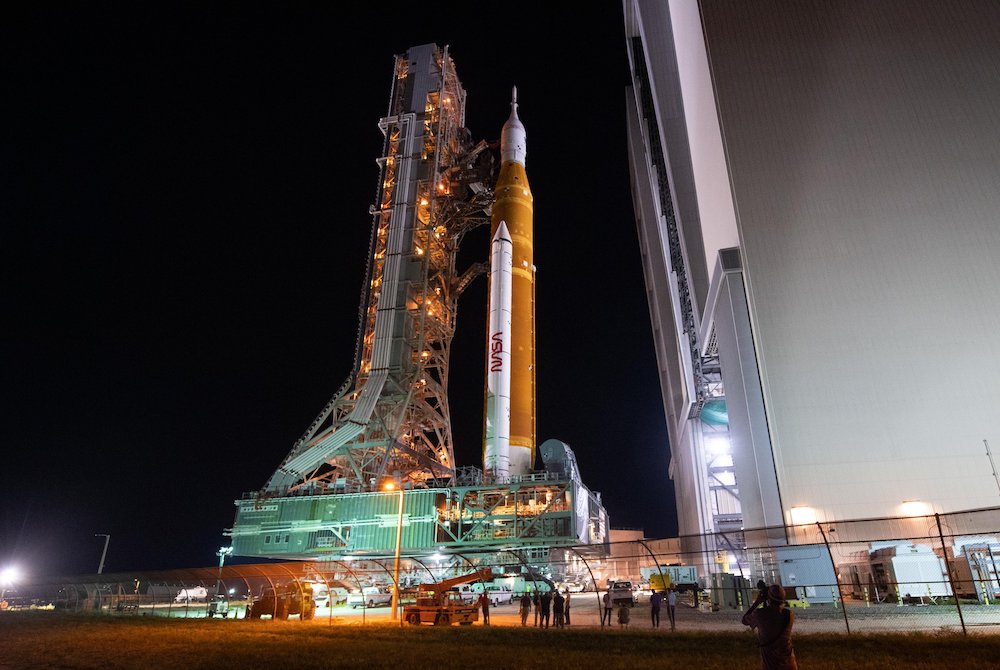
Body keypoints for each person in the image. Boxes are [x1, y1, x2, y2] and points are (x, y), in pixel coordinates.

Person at [742, 584, 797, 670]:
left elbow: (745, 620)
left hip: (771, 665)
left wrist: (757, 602)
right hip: (790, 664)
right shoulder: (789, 615)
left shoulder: (760, 614)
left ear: (769, 598)